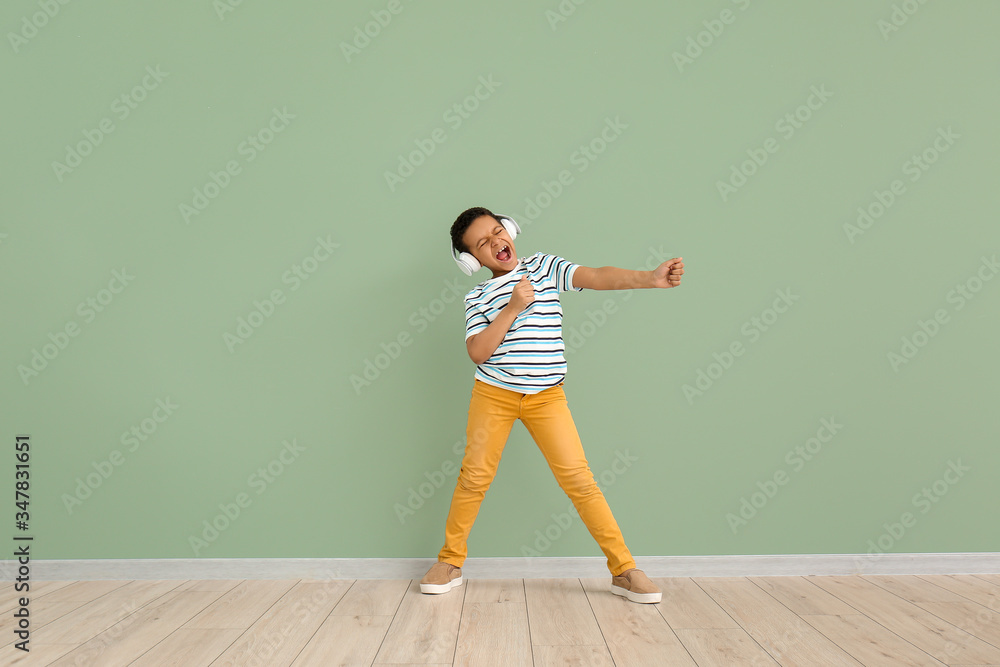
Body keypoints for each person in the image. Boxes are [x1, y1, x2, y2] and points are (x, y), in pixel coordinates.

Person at [420, 206, 684, 604]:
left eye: (496, 232)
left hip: (547, 396)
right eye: (482, 243)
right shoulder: (477, 296)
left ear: (509, 230)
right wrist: (512, 307)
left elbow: (597, 276)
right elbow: (478, 352)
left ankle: (625, 570)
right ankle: (450, 561)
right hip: (495, 395)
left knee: (580, 481)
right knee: (473, 479)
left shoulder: (543, 266)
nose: (495, 243)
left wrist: (649, 278)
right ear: (472, 261)